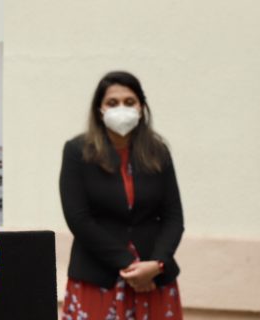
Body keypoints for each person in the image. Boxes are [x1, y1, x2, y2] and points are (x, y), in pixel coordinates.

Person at [59, 71, 184, 320]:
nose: (122, 108)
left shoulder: (158, 152)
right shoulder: (77, 152)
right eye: (112, 103)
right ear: (99, 109)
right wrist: (129, 264)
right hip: (97, 279)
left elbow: (173, 217)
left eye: (130, 102)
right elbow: (79, 219)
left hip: (154, 278)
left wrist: (156, 264)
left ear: (141, 107)